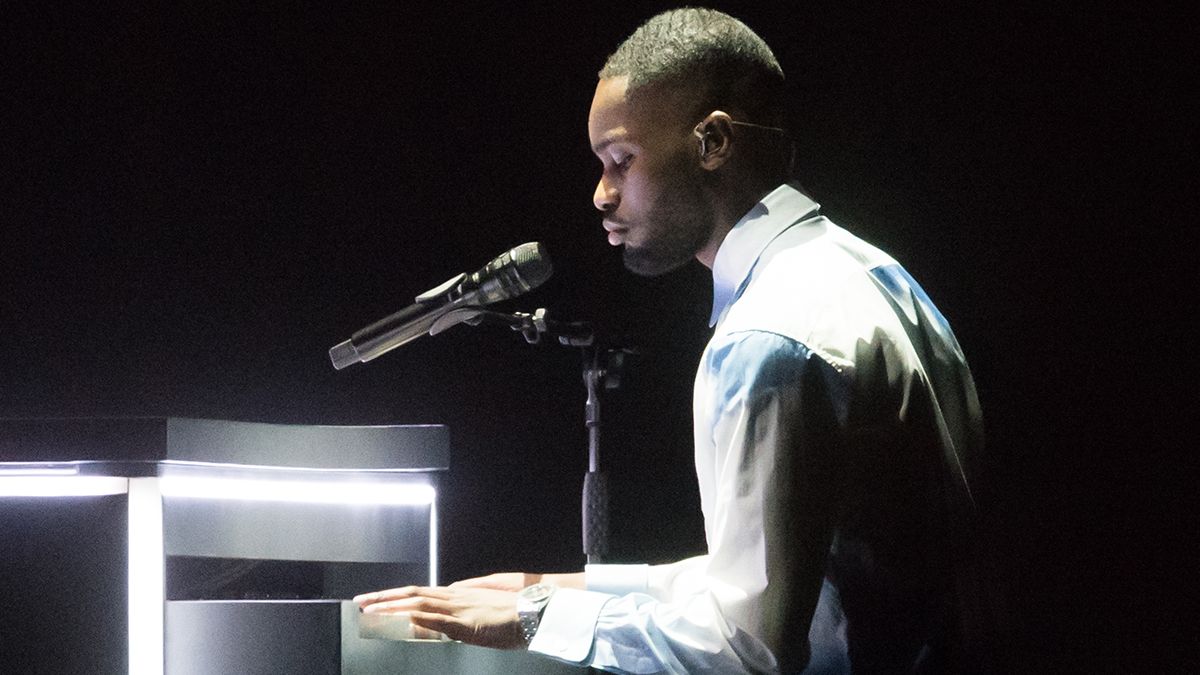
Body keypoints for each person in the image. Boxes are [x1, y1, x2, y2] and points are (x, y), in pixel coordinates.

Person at [355, 8, 989, 673]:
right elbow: (799, 576)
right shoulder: (876, 277)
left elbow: (748, 646)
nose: (601, 194)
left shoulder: (768, 338)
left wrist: (534, 618)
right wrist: (560, 588)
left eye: (620, 161)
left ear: (713, 142)